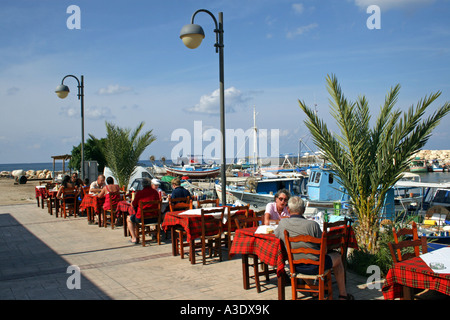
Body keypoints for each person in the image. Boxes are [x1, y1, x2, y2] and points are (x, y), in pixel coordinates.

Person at [274, 196, 354, 300]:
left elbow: (276, 235)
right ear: (303, 210)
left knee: (302, 258)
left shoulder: (282, 224)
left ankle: (315, 290)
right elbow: (324, 250)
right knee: (337, 258)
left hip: (295, 266)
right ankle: (343, 295)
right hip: (315, 267)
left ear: (288, 209)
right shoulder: (312, 225)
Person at [127, 178, 160, 244]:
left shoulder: (140, 193)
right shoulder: (155, 192)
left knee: (128, 219)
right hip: (154, 217)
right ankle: (154, 233)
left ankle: (134, 238)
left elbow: (134, 204)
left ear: (143, 185)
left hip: (142, 218)